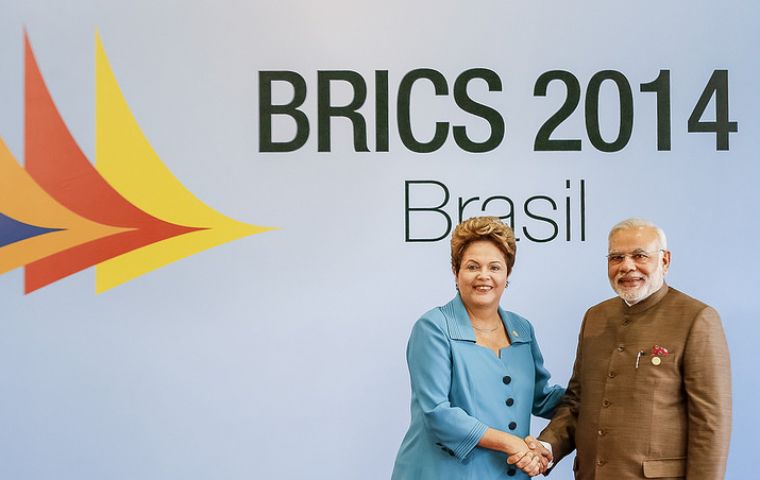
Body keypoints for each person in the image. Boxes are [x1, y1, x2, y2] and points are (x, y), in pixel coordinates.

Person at [520, 218, 731, 479]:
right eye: (616, 257)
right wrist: (546, 446)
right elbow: (577, 402)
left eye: (639, 255)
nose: (627, 266)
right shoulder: (595, 317)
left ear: (664, 261)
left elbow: (710, 424)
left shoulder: (696, 318)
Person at [392, 216, 565, 479]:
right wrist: (511, 443)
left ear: (507, 274)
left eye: (495, 267)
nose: (484, 276)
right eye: (473, 266)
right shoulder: (433, 327)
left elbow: (541, 397)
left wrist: (601, 389)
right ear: (456, 271)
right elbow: (437, 412)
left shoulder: (522, 329)